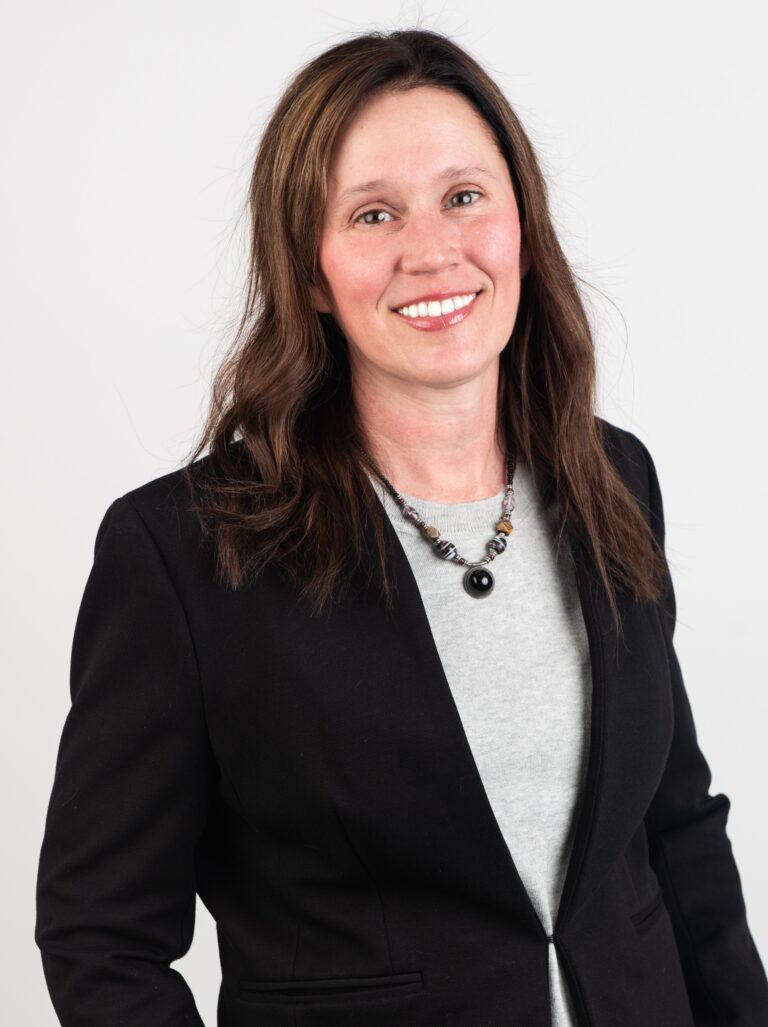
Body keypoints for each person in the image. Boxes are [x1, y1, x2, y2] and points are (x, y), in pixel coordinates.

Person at [34, 27, 768, 1027]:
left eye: (464, 196)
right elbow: (101, 932)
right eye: (374, 214)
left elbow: (678, 828)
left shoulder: (615, 479)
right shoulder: (188, 556)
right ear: (309, 275)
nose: (433, 250)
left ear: (519, 223)